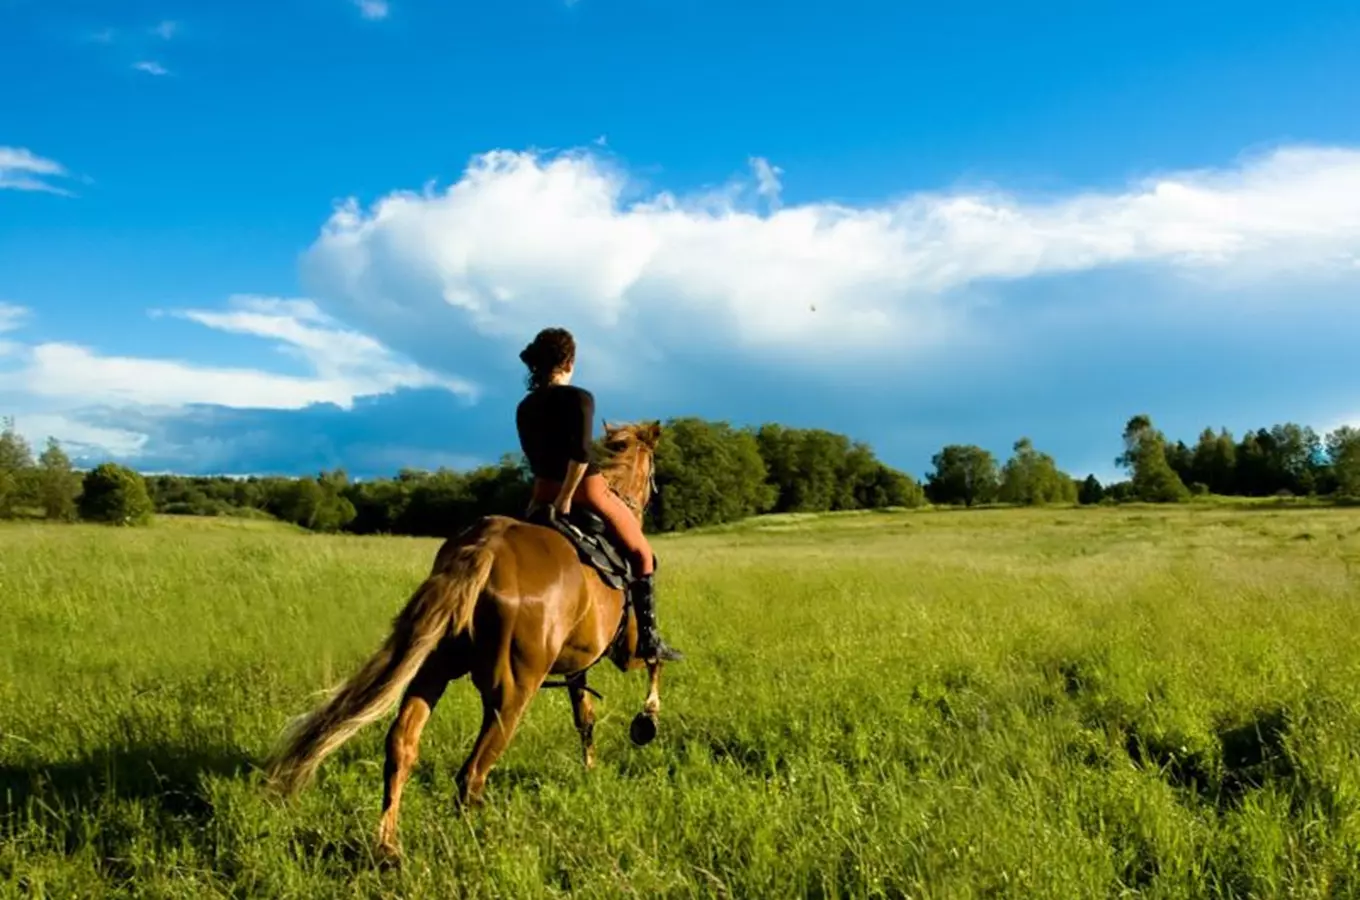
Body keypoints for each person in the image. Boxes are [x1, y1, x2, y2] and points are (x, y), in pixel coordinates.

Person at [515, 327, 683, 663]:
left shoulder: (525, 406)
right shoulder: (579, 398)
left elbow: (534, 458)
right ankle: (648, 641)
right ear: (569, 361)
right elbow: (579, 455)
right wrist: (566, 498)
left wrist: (546, 499)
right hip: (584, 490)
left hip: (540, 493)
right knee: (641, 554)